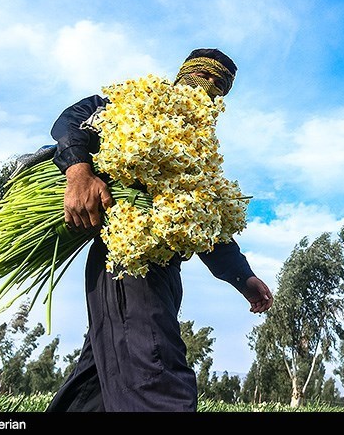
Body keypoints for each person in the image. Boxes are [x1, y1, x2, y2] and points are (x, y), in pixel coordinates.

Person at [45, 48, 274, 412]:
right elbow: (72, 120)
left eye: (222, 84)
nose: (210, 86)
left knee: (99, 387)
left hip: (163, 269)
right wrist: (78, 172)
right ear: (184, 72)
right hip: (129, 257)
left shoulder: (199, 148)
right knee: (157, 379)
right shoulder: (138, 106)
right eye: (205, 74)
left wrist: (242, 277)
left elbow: (202, 219)